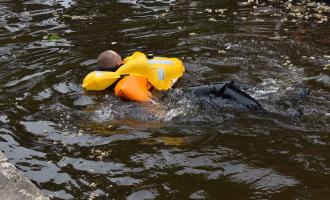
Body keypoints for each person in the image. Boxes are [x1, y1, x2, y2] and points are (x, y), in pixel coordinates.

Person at [83, 50, 261, 109]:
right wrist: (162, 112)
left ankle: (257, 95)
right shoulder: (129, 81)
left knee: (228, 87)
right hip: (173, 99)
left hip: (171, 97)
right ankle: (262, 111)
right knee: (224, 88)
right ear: (119, 62)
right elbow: (149, 103)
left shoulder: (115, 81)